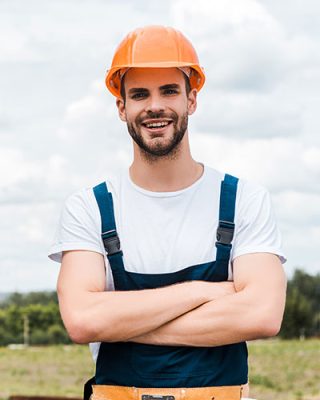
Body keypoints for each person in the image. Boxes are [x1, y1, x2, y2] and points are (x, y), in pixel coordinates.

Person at [48, 25, 287, 400]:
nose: (155, 106)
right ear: (121, 107)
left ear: (192, 100)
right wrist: (201, 292)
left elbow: (262, 314)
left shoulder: (244, 200)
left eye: (169, 91)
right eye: (140, 94)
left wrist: (121, 323)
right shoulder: (90, 207)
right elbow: (82, 321)